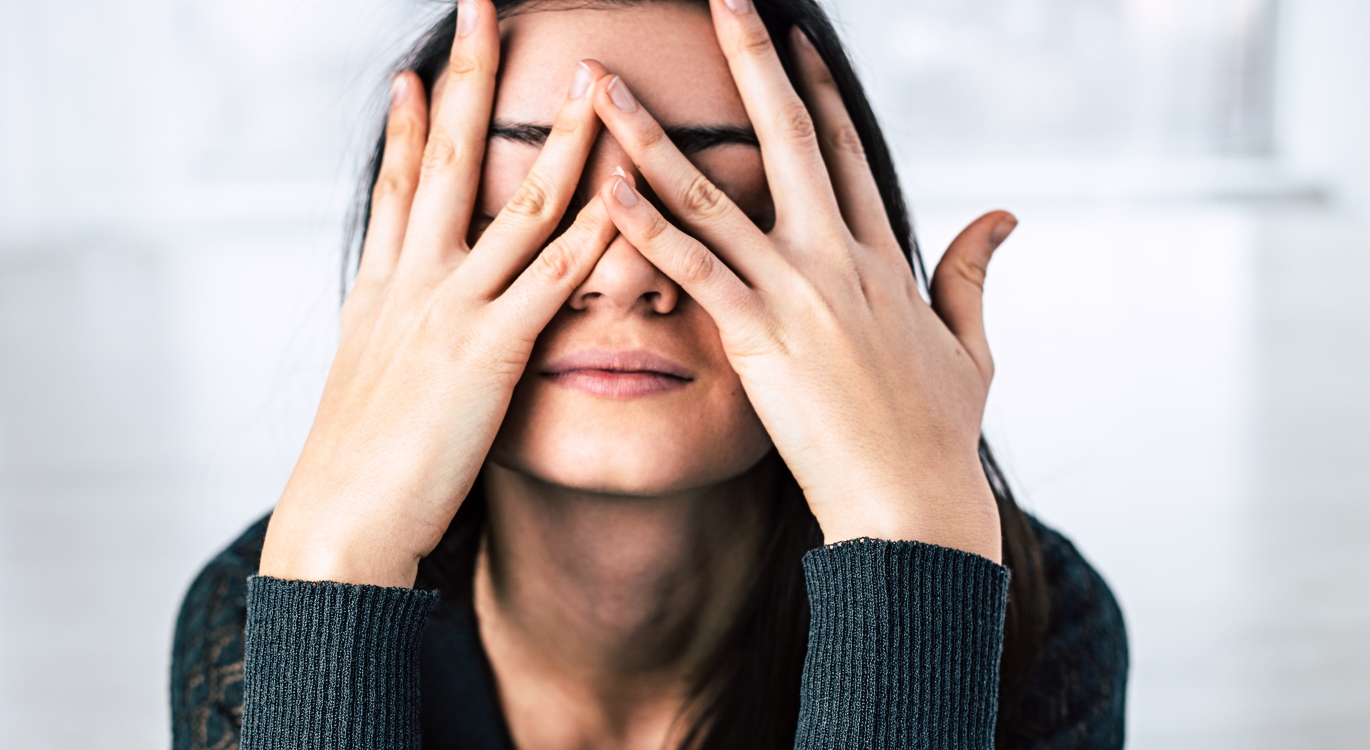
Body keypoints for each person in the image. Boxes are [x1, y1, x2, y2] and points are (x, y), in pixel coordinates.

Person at [171, 0, 1128, 747]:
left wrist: (917, 546)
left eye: (707, 199)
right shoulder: (253, 618)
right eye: (535, 199)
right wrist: (334, 574)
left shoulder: (1033, 626)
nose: (626, 270)